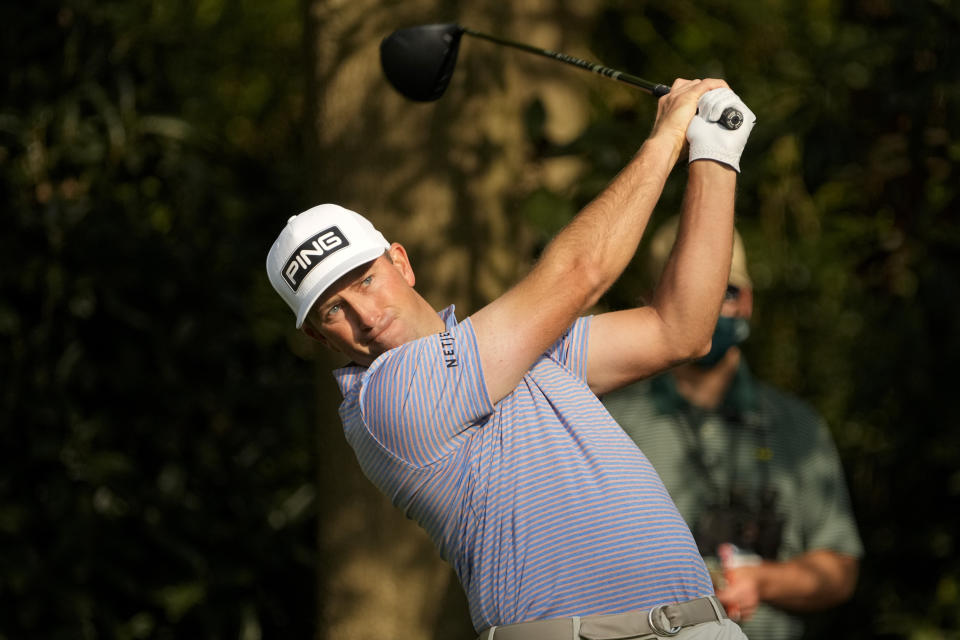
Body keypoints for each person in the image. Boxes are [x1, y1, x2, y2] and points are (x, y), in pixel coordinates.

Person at [267, 79, 756, 640]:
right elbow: (579, 274)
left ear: (400, 262)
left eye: (367, 279)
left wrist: (715, 153)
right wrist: (668, 133)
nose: (366, 315)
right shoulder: (387, 399)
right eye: (334, 310)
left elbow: (680, 331)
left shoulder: (516, 353)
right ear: (318, 337)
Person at [603, 218, 863, 639]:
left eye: (723, 290)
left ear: (747, 301)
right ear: (649, 302)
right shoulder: (607, 424)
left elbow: (840, 567)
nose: (707, 305)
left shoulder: (797, 427)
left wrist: (761, 580)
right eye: (686, 289)